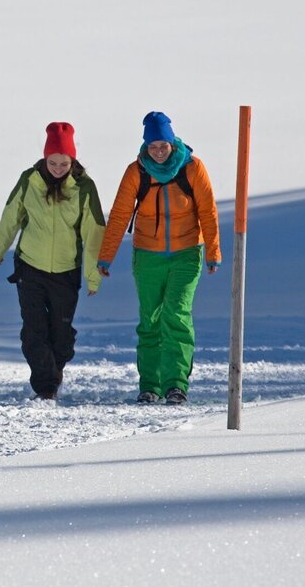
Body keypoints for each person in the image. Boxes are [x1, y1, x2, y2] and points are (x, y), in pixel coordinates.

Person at [97, 111, 220, 406]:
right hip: (148, 255)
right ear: (145, 147)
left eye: (163, 145)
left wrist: (213, 251)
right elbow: (119, 216)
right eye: (153, 147)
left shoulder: (193, 168)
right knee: (150, 320)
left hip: (187, 253)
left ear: (172, 142)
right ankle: (150, 385)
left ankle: (176, 384)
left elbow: (208, 211)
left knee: (175, 315)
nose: (159, 151)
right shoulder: (136, 172)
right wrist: (106, 257)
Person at [0, 123, 106, 401]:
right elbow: (11, 216)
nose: (57, 167)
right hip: (30, 266)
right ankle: (46, 387)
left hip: (66, 271)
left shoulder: (84, 188)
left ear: (72, 160)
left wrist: (93, 275)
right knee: (33, 331)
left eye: (63, 162)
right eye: (52, 162)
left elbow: (93, 234)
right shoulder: (30, 180)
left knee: (61, 336)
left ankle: (53, 373)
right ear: (44, 159)